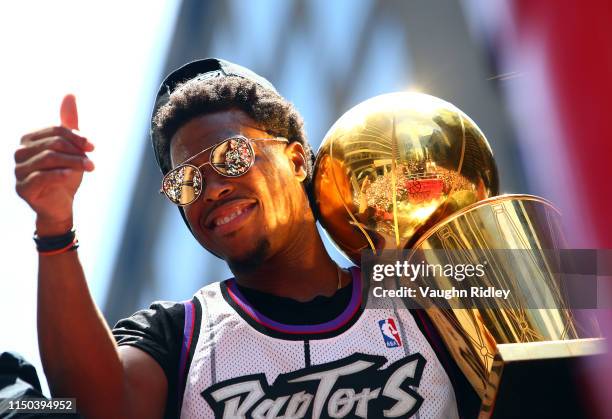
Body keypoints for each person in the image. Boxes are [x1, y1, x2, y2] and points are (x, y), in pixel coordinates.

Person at [13, 58, 479, 418]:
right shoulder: (177, 336)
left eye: (232, 156)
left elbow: (546, 335)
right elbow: (97, 410)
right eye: (187, 182)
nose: (212, 188)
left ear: (297, 161)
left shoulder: (420, 291)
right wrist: (54, 226)